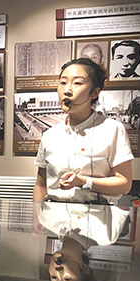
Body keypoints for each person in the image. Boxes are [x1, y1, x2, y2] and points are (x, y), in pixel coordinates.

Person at [33, 58, 133, 204]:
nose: (67, 90)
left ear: (94, 92)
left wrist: (84, 181)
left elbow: (124, 184)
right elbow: (41, 185)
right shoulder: (50, 135)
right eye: (63, 82)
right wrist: (37, 215)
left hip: (97, 213)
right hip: (54, 214)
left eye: (77, 83)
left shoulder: (112, 129)